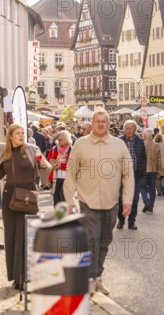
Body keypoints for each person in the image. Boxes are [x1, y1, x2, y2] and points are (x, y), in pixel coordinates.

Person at [64, 109, 134, 295]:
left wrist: (127, 200)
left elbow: (128, 175)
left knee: (105, 240)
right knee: (91, 239)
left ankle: (97, 277)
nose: (101, 124)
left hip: (111, 203)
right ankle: (90, 278)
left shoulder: (119, 145)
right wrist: (69, 200)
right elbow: (71, 173)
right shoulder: (81, 144)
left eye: (104, 121)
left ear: (109, 123)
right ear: (92, 123)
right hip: (88, 200)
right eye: (97, 121)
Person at [0, 124, 51, 290]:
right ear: (11, 136)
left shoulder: (32, 150)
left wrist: (45, 166)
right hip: (10, 196)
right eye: (18, 133)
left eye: (23, 133)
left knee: (27, 236)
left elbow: (46, 168)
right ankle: (16, 276)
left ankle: (27, 276)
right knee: (12, 236)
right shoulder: (3, 152)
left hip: (29, 195)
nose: (21, 136)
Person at [117, 120, 146, 230]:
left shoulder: (140, 141)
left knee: (134, 200)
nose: (128, 131)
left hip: (136, 176)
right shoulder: (119, 141)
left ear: (135, 130)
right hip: (121, 176)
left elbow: (144, 159)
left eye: (131, 128)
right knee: (121, 199)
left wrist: (142, 173)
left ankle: (131, 222)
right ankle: (121, 219)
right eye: (127, 128)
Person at [47, 130, 73, 205]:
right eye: (58, 139)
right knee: (56, 196)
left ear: (66, 139)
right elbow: (48, 160)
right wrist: (52, 163)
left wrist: (61, 165)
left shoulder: (71, 149)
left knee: (66, 197)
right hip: (55, 176)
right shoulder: (54, 149)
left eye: (61, 139)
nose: (59, 141)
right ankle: (57, 213)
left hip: (67, 176)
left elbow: (73, 164)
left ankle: (67, 213)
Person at [142, 128, 161, 212]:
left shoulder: (141, 145)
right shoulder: (156, 145)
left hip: (143, 170)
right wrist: (159, 170)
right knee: (152, 188)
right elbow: (159, 159)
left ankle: (146, 201)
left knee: (142, 187)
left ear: (145, 136)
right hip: (153, 169)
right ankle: (151, 205)